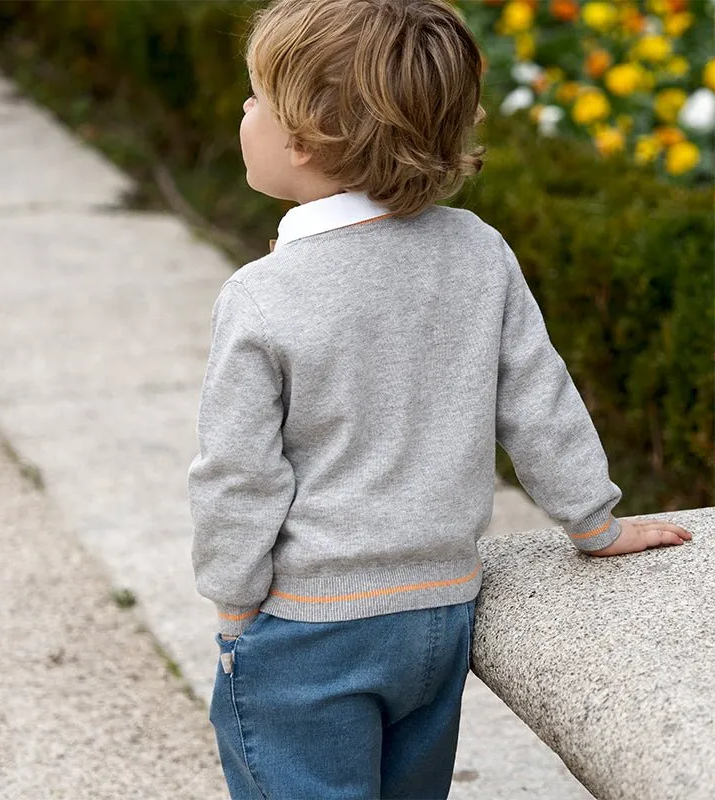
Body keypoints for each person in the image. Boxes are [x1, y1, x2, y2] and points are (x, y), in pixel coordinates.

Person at [187, 1, 693, 797]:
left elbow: (238, 474)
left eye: (255, 99)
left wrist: (233, 601)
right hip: (438, 618)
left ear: (306, 138)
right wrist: (593, 520)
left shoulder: (262, 295)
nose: (242, 112)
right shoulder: (476, 250)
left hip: (308, 629)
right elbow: (538, 398)